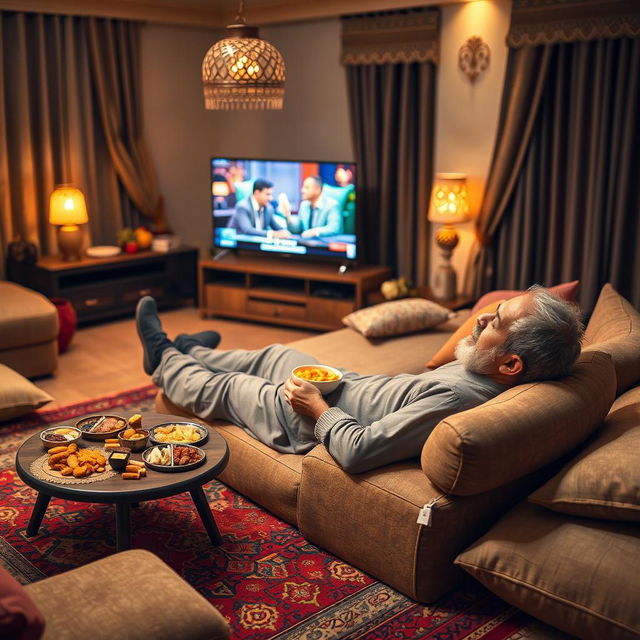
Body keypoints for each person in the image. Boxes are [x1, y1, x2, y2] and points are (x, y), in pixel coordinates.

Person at [136, 287, 583, 474]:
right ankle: (195, 348)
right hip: (346, 385)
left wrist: (314, 406)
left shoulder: (456, 399)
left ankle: (164, 355)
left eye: (497, 319)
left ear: (510, 365)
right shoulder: (488, 368)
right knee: (276, 353)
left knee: (229, 388)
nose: (481, 316)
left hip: (305, 420)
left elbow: (360, 450)